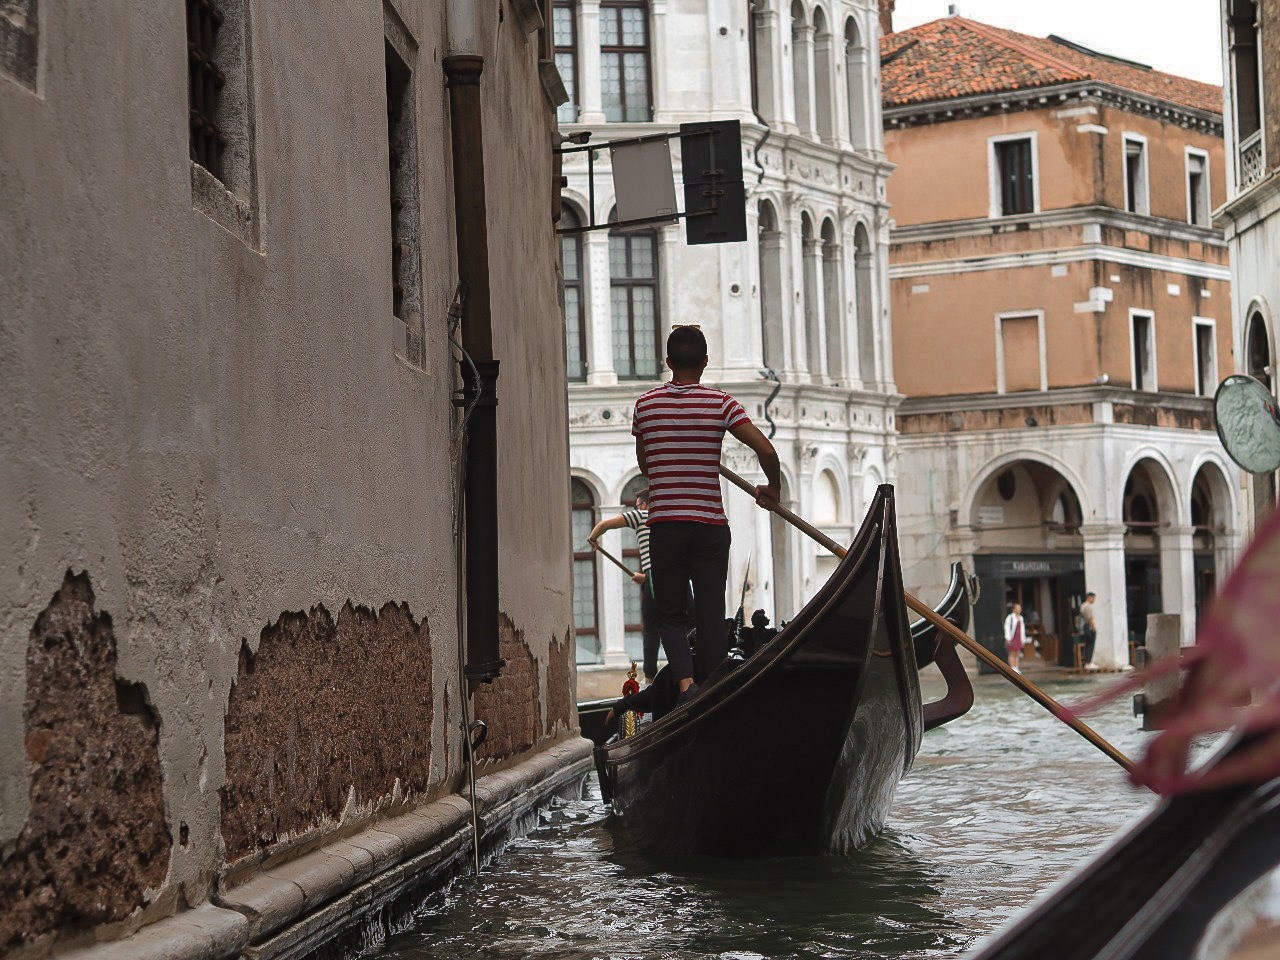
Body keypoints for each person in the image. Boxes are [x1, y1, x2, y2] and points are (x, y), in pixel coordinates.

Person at [632, 326, 781, 704]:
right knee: (712, 612)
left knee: (671, 613)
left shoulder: (645, 406)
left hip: (665, 525)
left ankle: (687, 688)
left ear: (667, 363)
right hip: (709, 525)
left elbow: (646, 466)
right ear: (704, 363)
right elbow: (766, 451)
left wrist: (672, 459)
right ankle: (714, 689)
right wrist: (773, 489)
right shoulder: (721, 404)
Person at [586, 488, 691, 683]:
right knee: (686, 623)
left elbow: (604, 524)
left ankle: (650, 678)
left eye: (637, 505)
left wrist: (593, 537)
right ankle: (690, 671)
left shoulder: (642, 515)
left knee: (652, 628)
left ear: (644, 504)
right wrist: (645, 576)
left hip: (657, 575)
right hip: (680, 576)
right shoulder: (671, 517)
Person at [1003, 602, 1027, 674]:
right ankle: (1012, 667)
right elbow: (1006, 627)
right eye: (1017, 608)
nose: (1019, 610)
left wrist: (1023, 640)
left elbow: (1022, 630)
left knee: (1017, 653)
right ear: (1014, 609)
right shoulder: (1010, 617)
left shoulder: (1021, 618)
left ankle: (1016, 667)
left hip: (1018, 638)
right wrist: (1007, 638)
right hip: (1012, 637)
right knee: (1012, 653)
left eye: (1020, 608)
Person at [1079, 591, 1099, 671]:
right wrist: (1094, 627)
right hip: (1088, 627)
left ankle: (1087, 662)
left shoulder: (1083, 605)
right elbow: (1090, 618)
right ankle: (1088, 662)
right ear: (1089, 597)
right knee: (1090, 644)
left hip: (1085, 627)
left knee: (1088, 644)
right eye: (1093, 598)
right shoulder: (1087, 606)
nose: (1094, 600)